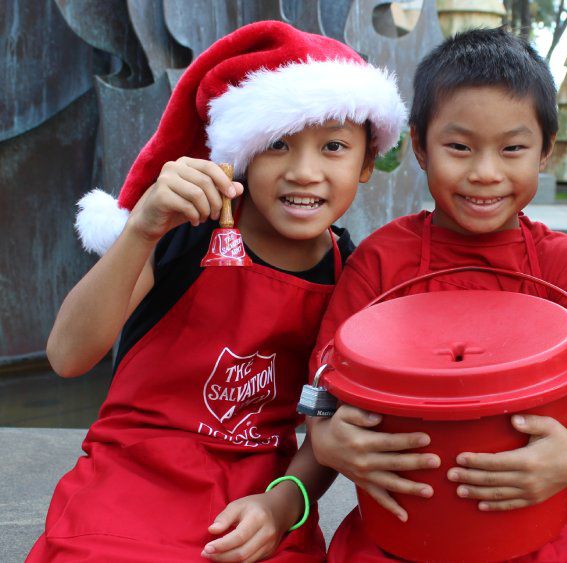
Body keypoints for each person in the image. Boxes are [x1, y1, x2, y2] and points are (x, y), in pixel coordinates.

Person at [29, 21, 405, 562]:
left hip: (254, 494)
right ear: (245, 152)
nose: (304, 172)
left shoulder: (353, 277)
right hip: (130, 476)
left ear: (366, 163)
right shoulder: (180, 234)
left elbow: (329, 426)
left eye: (334, 147)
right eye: (277, 143)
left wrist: (281, 507)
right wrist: (142, 229)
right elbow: (67, 356)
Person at [305, 28, 567, 561]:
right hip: (400, 521)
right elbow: (323, 378)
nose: (485, 173)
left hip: (533, 518)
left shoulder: (562, 264)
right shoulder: (381, 260)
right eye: (458, 147)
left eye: (512, 149)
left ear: (546, 150)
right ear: (419, 145)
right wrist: (325, 437)